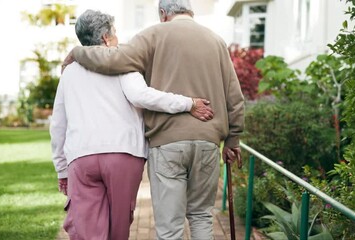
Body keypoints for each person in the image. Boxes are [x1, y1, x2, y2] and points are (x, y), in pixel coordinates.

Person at [62, 0, 245, 239]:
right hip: (208, 141)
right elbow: (235, 97)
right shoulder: (216, 41)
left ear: (162, 13)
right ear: (190, 10)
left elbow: (112, 59)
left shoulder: (153, 34)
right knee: (201, 216)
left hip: (167, 143)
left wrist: (77, 52)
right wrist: (233, 140)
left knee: (170, 227)